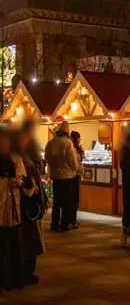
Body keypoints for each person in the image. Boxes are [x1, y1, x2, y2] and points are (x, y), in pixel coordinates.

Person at [17, 126, 48, 286]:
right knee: (29, 240)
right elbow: (34, 179)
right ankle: (25, 274)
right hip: (29, 207)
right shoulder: (25, 162)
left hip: (20, 207)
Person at [0, 128, 25, 293]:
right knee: (11, 246)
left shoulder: (15, 159)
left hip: (9, 209)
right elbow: (22, 180)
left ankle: (7, 280)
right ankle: (11, 280)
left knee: (6, 246)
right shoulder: (15, 159)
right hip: (11, 209)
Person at [45, 121, 78, 232]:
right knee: (66, 202)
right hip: (67, 176)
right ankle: (64, 224)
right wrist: (75, 169)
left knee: (56, 201)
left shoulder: (50, 143)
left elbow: (47, 158)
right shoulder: (67, 143)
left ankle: (54, 224)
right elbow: (72, 160)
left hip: (55, 176)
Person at [69, 131, 84, 229]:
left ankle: (72, 219)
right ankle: (72, 220)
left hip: (76, 175)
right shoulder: (72, 148)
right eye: (79, 138)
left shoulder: (76, 148)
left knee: (74, 199)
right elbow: (75, 162)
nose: (80, 140)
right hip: (74, 175)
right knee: (73, 199)